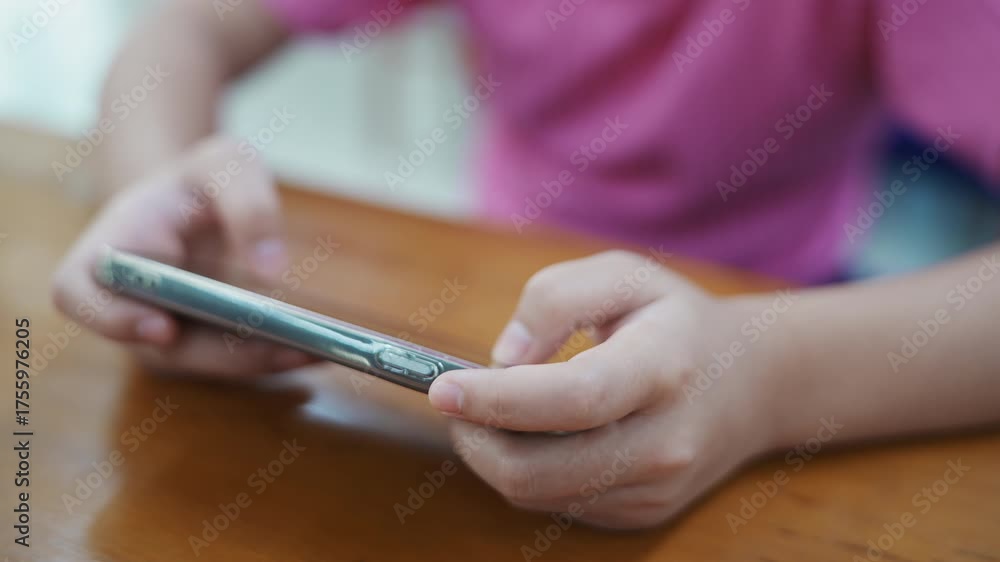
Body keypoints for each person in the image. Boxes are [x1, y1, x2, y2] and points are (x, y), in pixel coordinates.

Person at [51, 0, 1000, 529]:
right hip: (490, 300)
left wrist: (767, 384)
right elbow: (178, 33)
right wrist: (156, 193)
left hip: (795, 316)